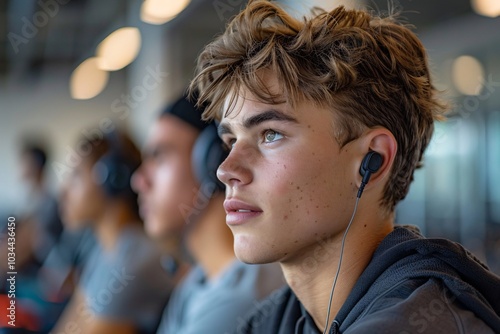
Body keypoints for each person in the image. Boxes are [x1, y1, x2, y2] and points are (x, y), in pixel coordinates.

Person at [189, 1, 500, 333]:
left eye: (270, 135)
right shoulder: (274, 320)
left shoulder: (416, 324)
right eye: (231, 141)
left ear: (372, 161)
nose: (226, 169)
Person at [131, 92, 284, 334]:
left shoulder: (241, 297)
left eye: (159, 156)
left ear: (212, 161)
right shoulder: (197, 281)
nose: (139, 181)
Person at [53, 129, 171, 334]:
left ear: (112, 178)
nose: (63, 192)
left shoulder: (133, 263)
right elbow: (70, 325)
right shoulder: (102, 249)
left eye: (76, 176)